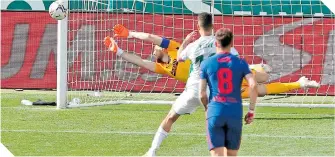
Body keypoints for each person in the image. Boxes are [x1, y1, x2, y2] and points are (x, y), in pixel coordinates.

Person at [199, 28, 257, 156]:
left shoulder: (206, 63)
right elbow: (253, 85)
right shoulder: (241, 62)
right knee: (232, 154)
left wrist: (206, 109)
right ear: (232, 43)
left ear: (216, 44)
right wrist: (251, 111)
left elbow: (202, 94)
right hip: (234, 112)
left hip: (215, 111)